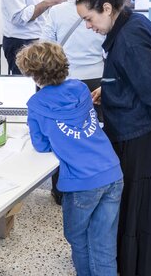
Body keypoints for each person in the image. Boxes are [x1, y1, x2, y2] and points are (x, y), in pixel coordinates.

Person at [76, 0, 151, 276]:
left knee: (138, 210)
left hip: (139, 139)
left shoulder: (130, 38)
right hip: (132, 132)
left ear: (107, 8)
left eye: (89, 18)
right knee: (132, 208)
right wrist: (109, 88)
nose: (88, 26)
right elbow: (135, 77)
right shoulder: (130, 23)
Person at [16, 41, 123, 276]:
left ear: (33, 74)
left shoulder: (36, 104)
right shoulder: (81, 88)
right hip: (112, 172)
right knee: (103, 242)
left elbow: (41, 145)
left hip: (81, 182)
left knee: (77, 237)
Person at [41, 0, 105, 205]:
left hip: (64, 81)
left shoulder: (56, 12)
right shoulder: (100, 10)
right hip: (96, 81)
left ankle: (61, 190)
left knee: (62, 137)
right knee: (93, 135)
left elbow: (45, 45)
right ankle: (93, 188)